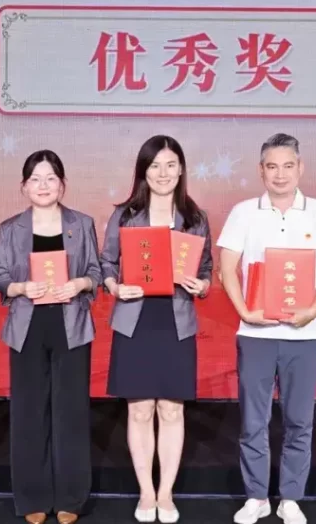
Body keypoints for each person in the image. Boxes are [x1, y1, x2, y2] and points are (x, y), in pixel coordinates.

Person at [217, 134, 316, 524]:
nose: (280, 174)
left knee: (299, 421)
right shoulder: (244, 212)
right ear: (261, 170)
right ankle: (256, 496)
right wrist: (244, 311)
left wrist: (314, 310)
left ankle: (291, 498)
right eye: (272, 166)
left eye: (288, 166)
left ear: (300, 168)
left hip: (304, 336)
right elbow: (226, 268)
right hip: (255, 334)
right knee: (253, 421)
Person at [101, 135, 214, 524]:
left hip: (176, 321)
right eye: (154, 166)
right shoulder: (125, 215)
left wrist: (203, 285)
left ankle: (166, 494)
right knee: (139, 410)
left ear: (181, 169)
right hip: (135, 318)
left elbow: (206, 268)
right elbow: (107, 262)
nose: (162, 173)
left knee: (170, 409)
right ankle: (145, 493)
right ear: (142, 171)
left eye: (170, 165)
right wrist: (115, 286)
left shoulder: (195, 218)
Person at [0, 150, 103, 524]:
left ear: (63, 184)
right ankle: (32, 498)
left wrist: (80, 283)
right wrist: (21, 287)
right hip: (27, 325)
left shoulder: (81, 224)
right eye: (35, 179)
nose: (43, 186)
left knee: (71, 412)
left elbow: (96, 272)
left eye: (51, 178)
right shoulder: (11, 228)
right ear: (24, 187)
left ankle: (71, 497)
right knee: (29, 413)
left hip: (71, 324)